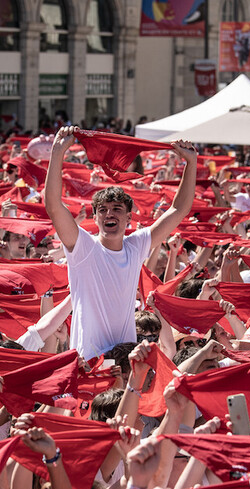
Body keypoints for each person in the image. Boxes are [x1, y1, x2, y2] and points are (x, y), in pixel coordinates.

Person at [43, 125, 198, 360]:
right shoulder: (83, 247)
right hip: (89, 360)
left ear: (129, 217)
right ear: (94, 218)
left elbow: (179, 209)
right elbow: (54, 206)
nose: (109, 214)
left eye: (116, 209)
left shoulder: (136, 246)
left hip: (125, 360)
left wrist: (191, 164)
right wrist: (57, 153)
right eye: (102, 210)